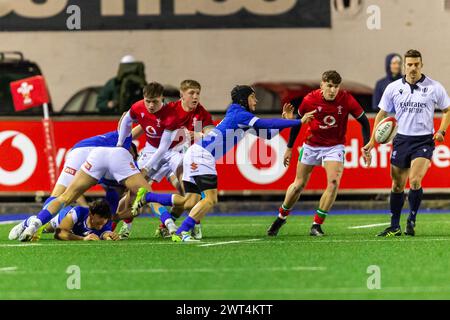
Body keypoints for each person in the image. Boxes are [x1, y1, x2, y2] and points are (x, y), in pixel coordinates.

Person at [133, 85, 316, 242]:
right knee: (211, 200)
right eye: (253, 97)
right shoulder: (240, 113)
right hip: (202, 156)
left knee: (190, 202)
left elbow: (267, 134)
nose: (257, 101)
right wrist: (298, 121)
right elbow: (265, 124)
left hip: (195, 154)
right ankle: (182, 232)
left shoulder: (240, 115)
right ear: (244, 98)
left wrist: (286, 121)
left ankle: (148, 197)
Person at [267, 70, 372, 237]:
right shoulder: (310, 99)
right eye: (329, 86)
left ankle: (316, 224)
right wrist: (289, 147)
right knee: (298, 185)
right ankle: (281, 217)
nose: (333, 90)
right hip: (311, 145)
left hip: (335, 146)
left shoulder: (346, 99)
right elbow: (297, 123)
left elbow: (364, 122)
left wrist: (366, 145)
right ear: (322, 85)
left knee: (333, 182)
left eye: (336, 87)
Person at [363, 49, 450, 237]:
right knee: (396, 185)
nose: (412, 68)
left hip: (424, 140)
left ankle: (411, 218)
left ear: (421, 65)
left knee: (415, 180)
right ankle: (394, 226)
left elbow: (447, 110)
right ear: (404, 66)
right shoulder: (393, 88)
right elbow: (381, 114)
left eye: (416, 64)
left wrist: (441, 131)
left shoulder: (434, 87)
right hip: (401, 140)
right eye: (409, 64)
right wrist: (372, 141)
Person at [8, 130, 137, 241]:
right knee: (64, 198)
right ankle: (34, 222)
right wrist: (121, 218)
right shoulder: (127, 160)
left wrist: (108, 230)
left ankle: (37, 222)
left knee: (61, 196)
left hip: (87, 154)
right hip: (89, 154)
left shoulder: (123, 150)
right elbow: (135, 203)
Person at [126, 79, 215, 239]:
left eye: (198, 93)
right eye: (191, 93)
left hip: (177, 154)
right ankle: (125, 226)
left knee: (187, 192)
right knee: (133, 189)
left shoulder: (201, 114)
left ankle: (175, 223)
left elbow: (212, 132)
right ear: (182, 95)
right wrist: (123, 141)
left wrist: (200, 134)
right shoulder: (170, 109)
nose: (195, 97)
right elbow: (143, 125)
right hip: (155, 152)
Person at [38, 199, 119, 241]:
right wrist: (83, 238)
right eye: (98, 223)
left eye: (104, 222)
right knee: (41, 228)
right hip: (61, 216)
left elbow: (105, 234)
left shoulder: (106, 221)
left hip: (72, 229)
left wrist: (112, 236)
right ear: (91, 214)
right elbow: (58, 234)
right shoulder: (78, 212)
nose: (101, 226)